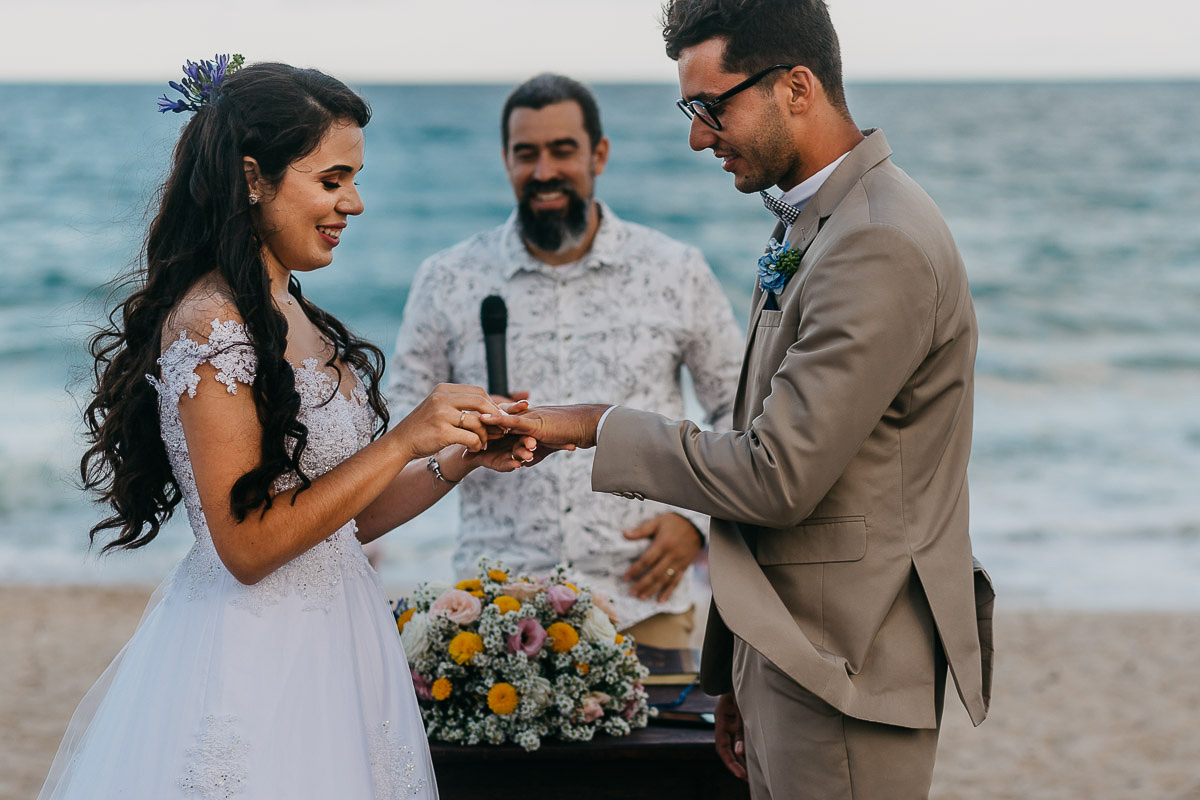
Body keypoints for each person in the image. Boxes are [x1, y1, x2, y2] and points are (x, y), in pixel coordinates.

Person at [484, 1, 995, 797]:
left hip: (846, 665)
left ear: (797, 87)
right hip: (793, 653)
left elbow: (775, 475)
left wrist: (593, 425)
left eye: (712, 107)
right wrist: (740, 669)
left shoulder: (876, 239)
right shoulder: (814, 223)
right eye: (691, 110)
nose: (698, 137)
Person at [40, 59, 534, 799]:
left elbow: (342, 521)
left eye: (354, 180)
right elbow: (247, 547)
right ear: (253, 178)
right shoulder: (210, 325)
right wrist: (403, 438)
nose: (354, 203)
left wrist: (456, 457)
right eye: (332, 180)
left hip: (343, 642)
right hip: (253, 657)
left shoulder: (296, 313)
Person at [388, 73, 742, 647]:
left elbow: (738, 405)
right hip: (491, 611)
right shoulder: (447, 279)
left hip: (642, 603)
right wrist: (462, 427)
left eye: (562, 150)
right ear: (506, 160)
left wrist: (698, 522)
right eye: (526, 154)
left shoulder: (675, 270)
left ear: (598, 154)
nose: (544, 171)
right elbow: (399, 428)